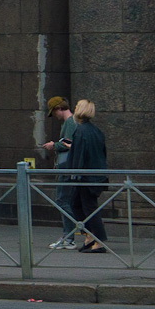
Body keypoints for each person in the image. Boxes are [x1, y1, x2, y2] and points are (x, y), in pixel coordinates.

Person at [66, 99, 109, 253]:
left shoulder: (81, 131)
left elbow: (79, 155)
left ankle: (98, 239)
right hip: (96, 174)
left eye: (77, 106)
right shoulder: (96, 131)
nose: (75, 108)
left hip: (86, 176)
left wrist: (72, 174)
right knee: (76, 203)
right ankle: (90, 235)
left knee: (88, 207)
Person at [41, 96, 79, 249]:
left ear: (58, 108)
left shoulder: (70, 123)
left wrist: (54, 145)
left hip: (66, 167)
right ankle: (70, 234)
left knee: (62, 200)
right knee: (65, 201)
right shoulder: (71, 122)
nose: (55, 116)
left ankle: (69, 236)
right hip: (67, 167)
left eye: (54, 112)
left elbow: (68, 144)